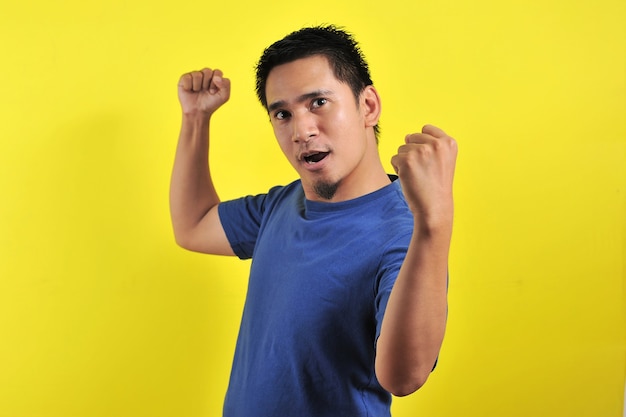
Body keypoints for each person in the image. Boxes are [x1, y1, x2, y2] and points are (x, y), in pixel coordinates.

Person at [170, 25, 457, 417]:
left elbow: (403, 377)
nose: (302, 130)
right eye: (283, 114)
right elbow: (194, 225)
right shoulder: (282, 204)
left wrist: (435, 224)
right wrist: (195, 118)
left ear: (367, 106)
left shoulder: (406, 233)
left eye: (319, 102)